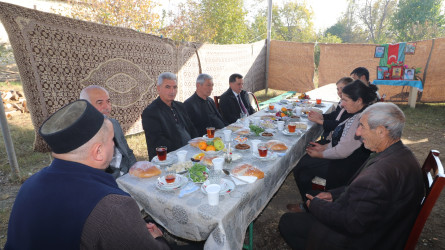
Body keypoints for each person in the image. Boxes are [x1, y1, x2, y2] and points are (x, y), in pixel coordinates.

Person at [5, 100, 170, 250]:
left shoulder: (28, 185)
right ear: (98, 152)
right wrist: (159, 239)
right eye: (111, 140)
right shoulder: (113, 206)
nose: (114, 145)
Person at [279, 102, 424, 250]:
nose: (358, 133)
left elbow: (352, 223)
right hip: (384, 226)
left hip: (368, 239)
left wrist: (316, 206)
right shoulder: (400, 153)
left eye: (362, 126)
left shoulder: (378, 175)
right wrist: (332, 194)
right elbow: (362, 193)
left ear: (381, 131)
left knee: (287, 222)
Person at [290, 80, 376, 210]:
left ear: (358, 100)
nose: (342, 103)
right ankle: (310, 202)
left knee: (302, 168)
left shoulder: (360, 118)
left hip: (346, 166)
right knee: (303, 164)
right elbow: (341, 138)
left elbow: (343, 151)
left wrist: (321, 154)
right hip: (343, 157)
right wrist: (325, 147)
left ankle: (312, 205)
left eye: (345, 100)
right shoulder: (356, 112)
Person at [80, 85, 137, 179]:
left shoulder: (114, 124)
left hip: (127, 174)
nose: (106, 107)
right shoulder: (81, 134)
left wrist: (136, 170)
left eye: (108, 101)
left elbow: (128, 152)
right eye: (99, 103)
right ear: (85, 106)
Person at [141, 72, 198, 160]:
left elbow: (191, 128)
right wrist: (185, 150)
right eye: (167, 87)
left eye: (175, 87)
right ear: (158, 88)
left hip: (190, 151)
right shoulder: (150, 113)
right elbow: (159, 143)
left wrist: (197, 143)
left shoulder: (180, 106)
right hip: (169, 159)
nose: (172, 91)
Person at [308, 77, 353, 143]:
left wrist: (319, 120)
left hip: (338, 140)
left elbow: (338, 125)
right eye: (337, 89)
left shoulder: (351, 107)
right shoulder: (342, 101)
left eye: (342, 89)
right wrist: (321, 116)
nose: (339, 92)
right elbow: (335, 114)